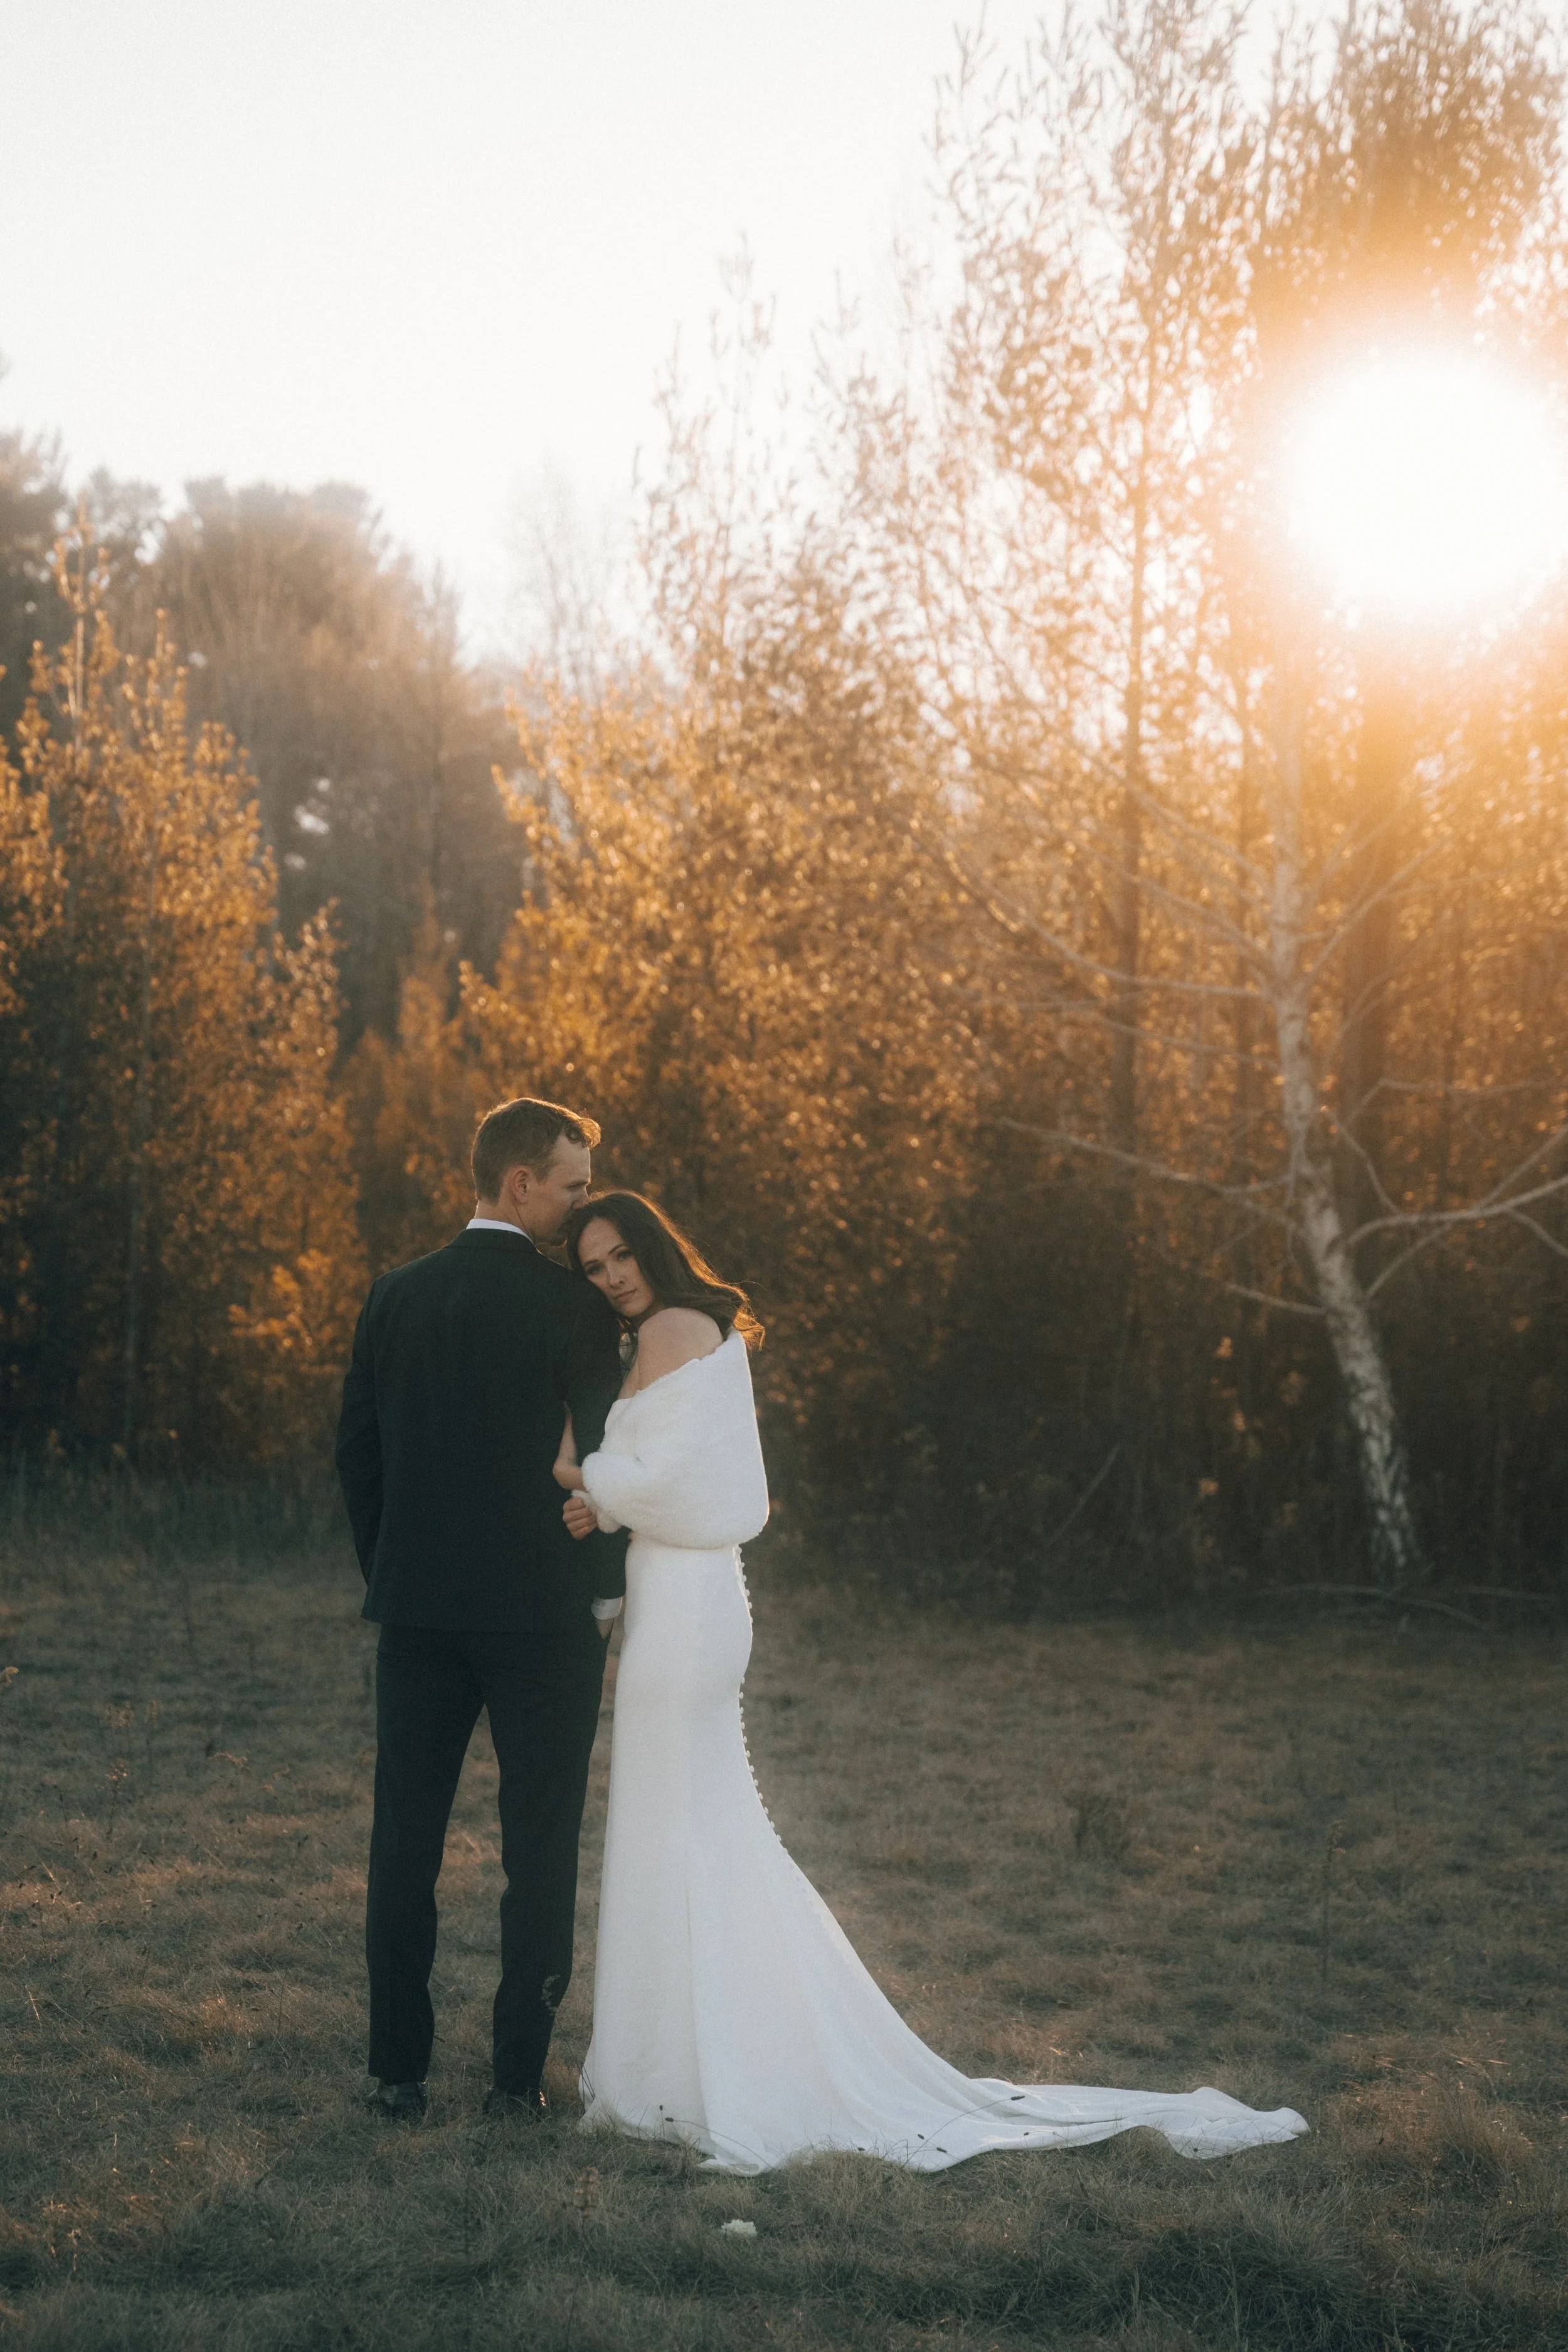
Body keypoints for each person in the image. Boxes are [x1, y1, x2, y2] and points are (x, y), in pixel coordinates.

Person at [554, 1190, 1308, 2174]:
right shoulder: (700, 1331)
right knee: (695, 1822)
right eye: (594, 1267)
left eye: (620, 1255)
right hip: (693, 1594)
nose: (612, 1276)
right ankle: (697, 2055)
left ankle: (705, 2067)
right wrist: (609, 1497)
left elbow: (655, 1481)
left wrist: (582, 1479)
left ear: (652, 1248)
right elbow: (679, 1475)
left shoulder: (667, 1330)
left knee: (676, 1823)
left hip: (688, 1606)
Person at [334, 1096, 628, 2123]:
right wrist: (605, 1591)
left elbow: (356, 1455)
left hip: (417, 1615)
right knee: (539, 1849)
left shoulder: (395, 1295)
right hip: (545, 1619)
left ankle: (396, 2074)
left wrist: (397, 1568)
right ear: (521, 1184)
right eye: (574, 1183)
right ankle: (514, 2083)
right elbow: (606, 1466)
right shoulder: (577, 1312)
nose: (581, 1202)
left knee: (403, 1841)